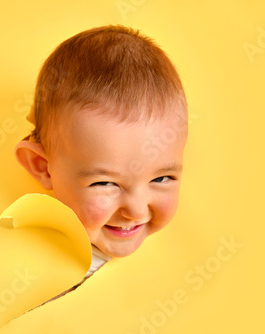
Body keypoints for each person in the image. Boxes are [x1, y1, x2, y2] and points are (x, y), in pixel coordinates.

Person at [14, 25, 188, 284]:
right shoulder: (26, 272)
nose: (137, 210)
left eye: (162, 179)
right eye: (106, 183)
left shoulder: (187, 262)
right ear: (43, 166)